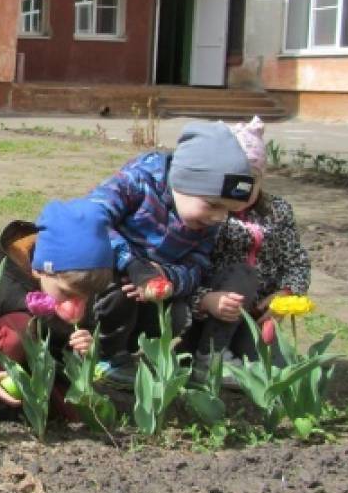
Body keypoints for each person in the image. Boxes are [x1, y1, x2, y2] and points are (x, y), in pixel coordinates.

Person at [85, 121, 256, 388]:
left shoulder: (206, 221)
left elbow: (198, 265)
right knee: (117, 294)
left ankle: (136, 353)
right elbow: (91, 218)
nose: (220, 217)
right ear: (183, 182)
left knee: (176, 316)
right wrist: (132, 264)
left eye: (229, 211)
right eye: (213, 205)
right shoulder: (138, 182)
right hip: (107, 280)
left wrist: (169, 278)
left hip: (156, 293)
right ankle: (105, 355)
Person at [191, 117, 311, 383]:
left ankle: (231, 359)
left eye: (252, 181)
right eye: (236, 181)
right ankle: (208, 356)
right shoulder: (206, 213)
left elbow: (297, 261)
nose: (243, 191)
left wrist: (286, 294)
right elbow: (188, 268)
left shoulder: (278, 211)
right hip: (211, 312)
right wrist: (203, 299)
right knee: (243, 273)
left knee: (278, 374)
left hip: (254, 317)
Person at [0, 199, 115, 413]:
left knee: (77, 413)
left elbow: (73, 349)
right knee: (19, 329)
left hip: (47, 371)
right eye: (67, 294)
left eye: (87, 296)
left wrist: (89, 352)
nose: (77, 303)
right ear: (40, 270)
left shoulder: (81, 284)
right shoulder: (1, 287)